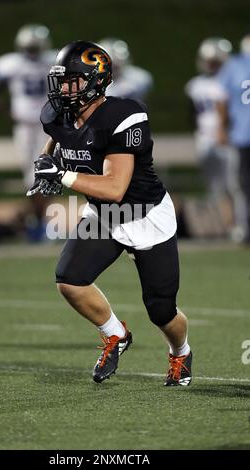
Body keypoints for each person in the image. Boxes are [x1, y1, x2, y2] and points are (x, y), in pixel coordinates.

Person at [27, 40, 192, 386]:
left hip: (144, 215)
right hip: (104, 216)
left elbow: (115, 188)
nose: (63, 89)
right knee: (69, 279)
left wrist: (63, 176)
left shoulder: (123, 116)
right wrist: (46, 162)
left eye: (71, 81)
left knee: (161, 310)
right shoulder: (58, 114)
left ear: (95, 81)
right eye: (61, 80)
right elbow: (57, 140)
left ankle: (181, 353)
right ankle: (115, 334)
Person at [0, 24, 57, 240]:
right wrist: (8, 110)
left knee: (47, 172)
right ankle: (34, 223)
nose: (33, 52)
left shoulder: (12, 63)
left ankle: (32, 221)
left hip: (46, 125)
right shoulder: (53, 61)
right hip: (28, 125)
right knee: (36, 175)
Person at [185, 37, 246, 240]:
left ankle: (243, 224)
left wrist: (225, 130)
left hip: (227, 138)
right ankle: (231, 227)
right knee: (216, 187)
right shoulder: (195, 84)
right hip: (205, 139)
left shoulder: (231, 79)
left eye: (215, 61)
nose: (211, 65)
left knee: (236, 184)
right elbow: (193, 115)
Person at [217, 33, 250, 243]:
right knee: (243, 185)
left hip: (242, 133)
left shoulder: (235, 65)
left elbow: (221, 98)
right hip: (242, 135)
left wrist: (222, 127)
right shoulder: (234, 65)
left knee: (244, 186)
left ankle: (246, 229)